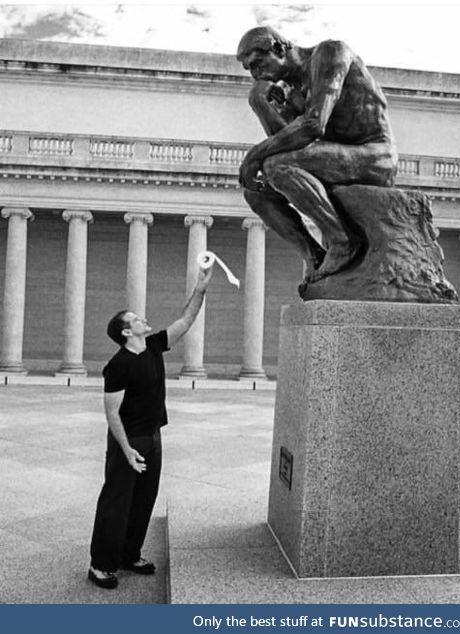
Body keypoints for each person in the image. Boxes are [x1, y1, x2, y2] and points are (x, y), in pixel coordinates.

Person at [236, 26, 398, 284]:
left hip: (374, 155)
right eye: (250, 71)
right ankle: (314, 255)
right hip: (336, 159)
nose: (256, 75)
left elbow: (313, 125)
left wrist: (254, 156)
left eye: (257, 64)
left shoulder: (330, 53)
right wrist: (261, 105)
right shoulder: (291, 90)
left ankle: (343, 241)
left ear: (279, 48)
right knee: (256, 191)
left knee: (275, 166)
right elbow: (289, 146)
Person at [88, 264, 213, 589]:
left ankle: (130, 554)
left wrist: (200, 288)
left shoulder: (155, 345)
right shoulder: (117, 366)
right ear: (127, 332)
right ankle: (101, 565)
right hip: (127, 441)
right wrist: (127, 450)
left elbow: (184, 321)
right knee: (116, 500)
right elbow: (112, 413)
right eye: (136, 320)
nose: (143, 319)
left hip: (152, 436)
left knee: (144, 498)